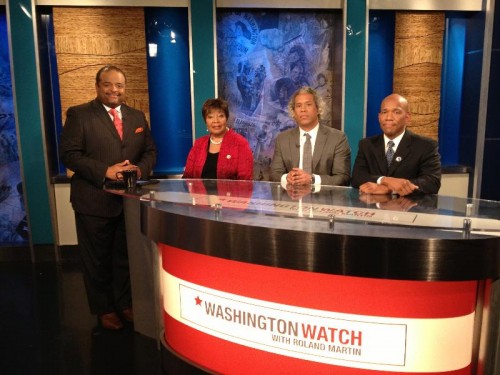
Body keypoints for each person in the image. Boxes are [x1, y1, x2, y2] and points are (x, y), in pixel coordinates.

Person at [60, 65, 157, 330]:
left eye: (120, 85)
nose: (114, 90)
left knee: (124, 257)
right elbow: (69, 154)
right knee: (97, 260)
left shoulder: (137, 117)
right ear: (98, 85)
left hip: (127, 202)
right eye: (108, 84)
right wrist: (106, 171)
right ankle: (103, 309)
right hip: (93, 200)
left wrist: (141, 169)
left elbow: (150, 151)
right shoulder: (79, 115)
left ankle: (125, 303)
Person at [351, 93, 441, 196]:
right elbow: (357, 177)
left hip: (409, 209)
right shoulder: (366, 144)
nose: (389, 117)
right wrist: (384, 180)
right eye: (384, 112)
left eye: (396, 112)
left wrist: (391, 189)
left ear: (407, 117)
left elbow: (432, 183)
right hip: (373, 208)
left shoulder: (426, 146)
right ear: (379, 117)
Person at [270, 86, 351, 186]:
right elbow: (274, 174)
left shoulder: (337, 138)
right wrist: (286, 178)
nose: (303, 109)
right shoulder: (282, 139)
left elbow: (342, 178)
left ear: (318, 109)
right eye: (298, 106)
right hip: (291, 199)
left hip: (324, 200)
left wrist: (312, 180)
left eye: (308, 104)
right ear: (293, 112)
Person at [182, 98, 254, 180]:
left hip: (229, 193)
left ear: (226, 118)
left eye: (220, 116)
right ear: (205, 121)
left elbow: (246, 181)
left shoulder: (240, 143)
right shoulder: (199, 144)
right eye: (210, 117)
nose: (216, 121)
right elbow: (187, 178)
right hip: (199, 193)